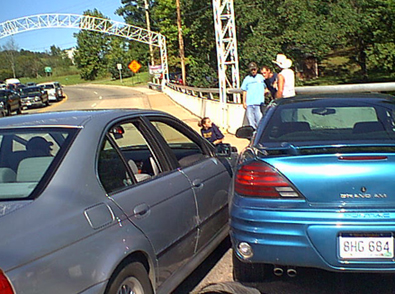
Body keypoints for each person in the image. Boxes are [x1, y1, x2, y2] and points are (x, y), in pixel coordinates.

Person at [240, 62, 266, 129]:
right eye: (252, 70)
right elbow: (244, 90)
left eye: (254, 69)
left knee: (260, 120)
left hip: (259, 103)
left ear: (257, 69)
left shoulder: (261, 77)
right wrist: (244, 102)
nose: (253, 71)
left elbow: (267, 87)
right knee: (251, 122)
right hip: (249, 103)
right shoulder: (247, 79)